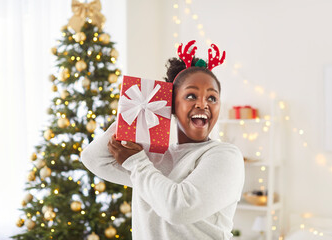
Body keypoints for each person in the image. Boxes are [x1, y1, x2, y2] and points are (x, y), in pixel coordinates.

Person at [81, 40, 245, 240]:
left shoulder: (225, 156)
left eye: (212, 98)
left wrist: (136, 162)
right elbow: (92, 158)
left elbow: (179, 208)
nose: (203, 104)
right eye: (191, 95)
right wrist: (135, 111)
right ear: (171, 104)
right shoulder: (154, 157)